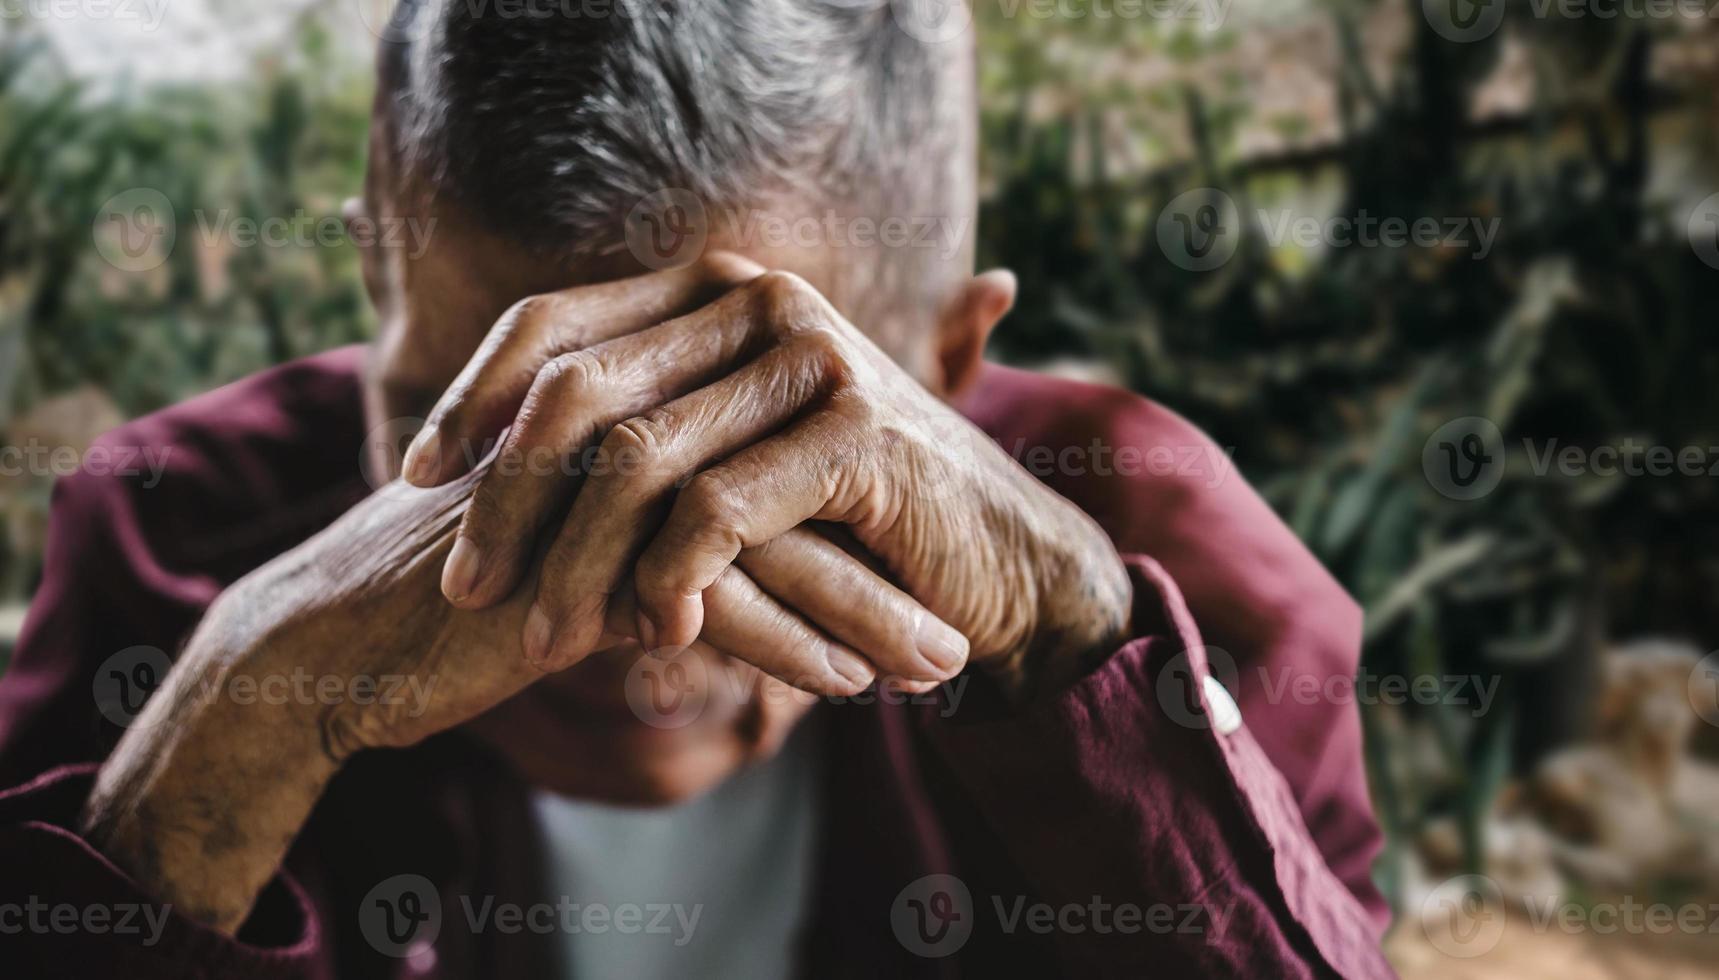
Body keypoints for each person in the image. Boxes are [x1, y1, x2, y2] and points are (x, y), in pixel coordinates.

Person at [0, 1, 1394, 976]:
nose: (614, 606)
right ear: (375, 288)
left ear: (950, 364)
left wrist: (1071, 650)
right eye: (472, 431)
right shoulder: (172, 543)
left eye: (745, 447)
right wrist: (230, 723)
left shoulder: (1170, 589)